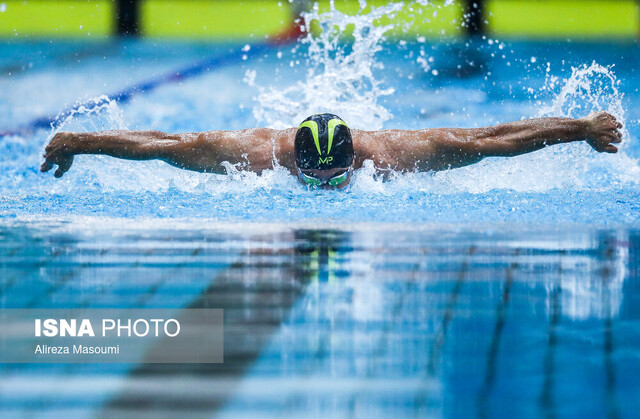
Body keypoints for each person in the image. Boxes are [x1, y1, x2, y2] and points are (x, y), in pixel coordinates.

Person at [41, 111, 623, 189]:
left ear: (356, 161)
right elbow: (163, 145)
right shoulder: (256, 154)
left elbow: (489, 141)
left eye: (335, 174)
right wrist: (79, 140)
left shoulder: (393, 154)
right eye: (311, 173)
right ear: (293, 158)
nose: (324, 183)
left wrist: (580, 128)